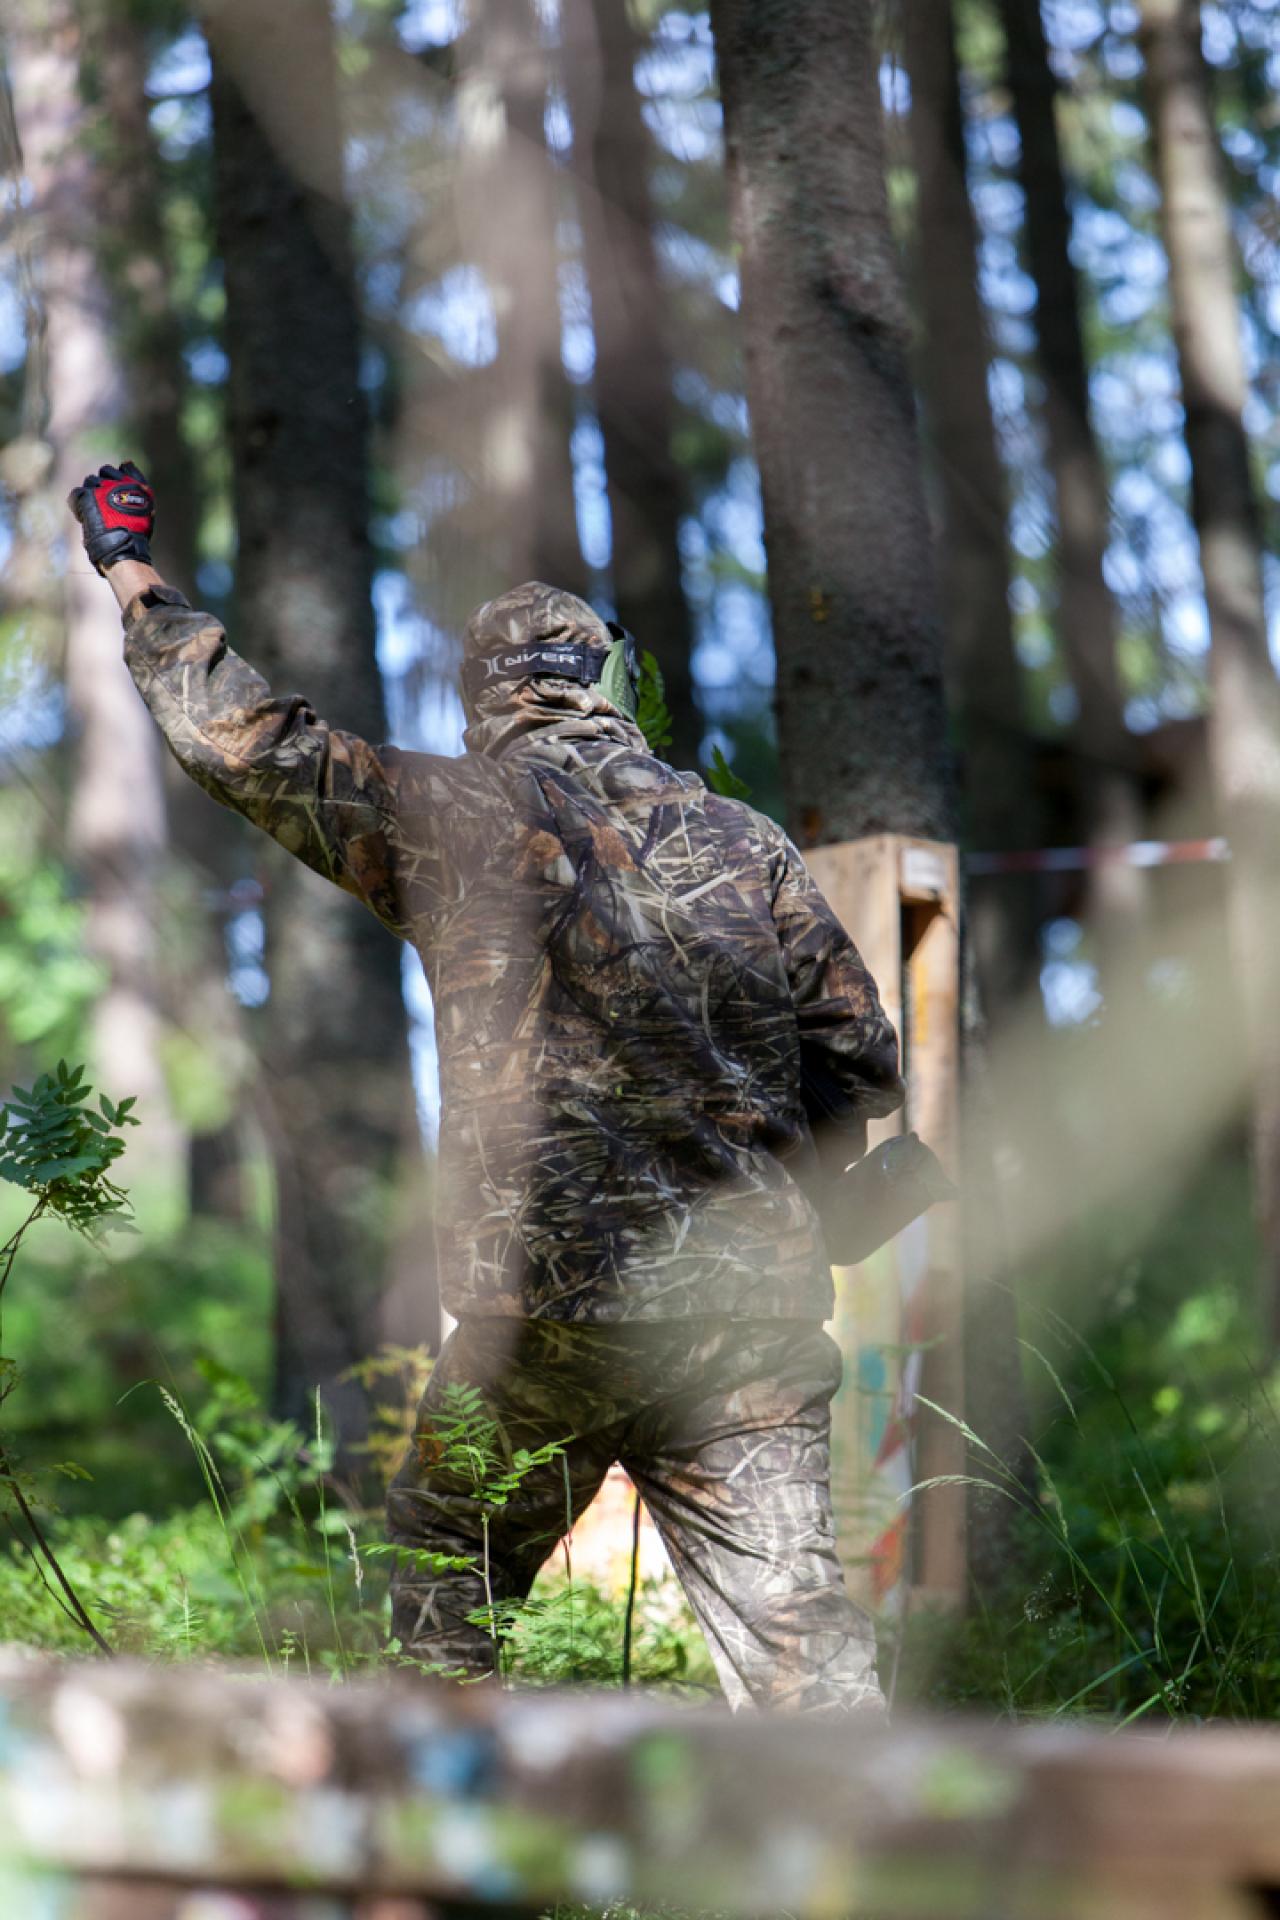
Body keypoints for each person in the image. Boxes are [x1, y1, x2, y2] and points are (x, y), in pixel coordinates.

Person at [71, 460, 914, 1714]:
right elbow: (861, 1057)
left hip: (544, 1327)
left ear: (486, 705)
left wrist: (131, 571)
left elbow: (242, 743)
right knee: (802, 1653)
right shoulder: (750, 845)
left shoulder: (455, 816)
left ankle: (440, 1822)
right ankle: (880, 1835)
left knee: (436, 1592)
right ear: (609, 686)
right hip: (744, 1324)